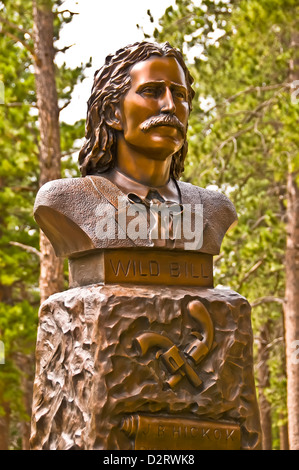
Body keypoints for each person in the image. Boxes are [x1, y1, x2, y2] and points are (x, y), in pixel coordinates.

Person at [34, 41, 237, 260]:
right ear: (113, 113)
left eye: (180, 95)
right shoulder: (63, 200)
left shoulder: (215, 209)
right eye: (151, 91)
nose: (170, 105)